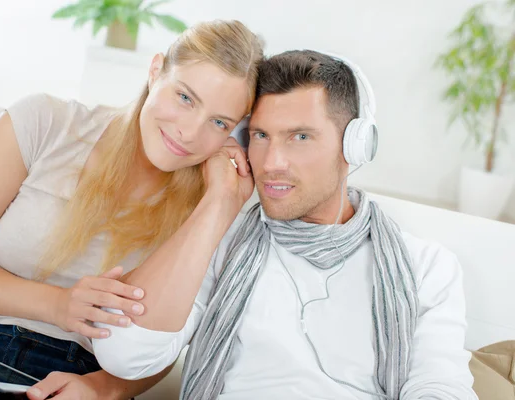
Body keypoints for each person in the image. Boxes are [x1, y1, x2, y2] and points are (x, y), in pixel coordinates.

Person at [84, 50, 478, 400]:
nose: (272, 163)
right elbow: (124, 355)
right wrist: (219, 202)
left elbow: (441, 385)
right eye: (260, 136)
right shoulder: (218, 241)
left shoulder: (426, 266)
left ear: (354, 145)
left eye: (300, 137)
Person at [0, 19, 263, 400]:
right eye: (185, 97)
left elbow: (163, 344)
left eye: (218, 122)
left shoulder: (215, 203)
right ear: (155, 70)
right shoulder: (44, 123)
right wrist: (58, 304)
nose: (190, 133)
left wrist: (104, 389)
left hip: (81, 381)